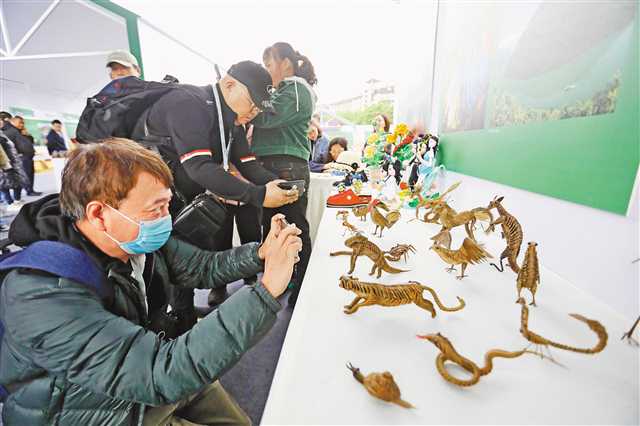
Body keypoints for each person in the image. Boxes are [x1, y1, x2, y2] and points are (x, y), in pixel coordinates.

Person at [0, 138, 302, 425]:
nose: (164, 219)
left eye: (166, 205)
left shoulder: (133, 240)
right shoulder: (42, 296)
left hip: (143, 368)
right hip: (89, 410)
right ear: (99, 214)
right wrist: (265, 292)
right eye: (155, 209)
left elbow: (200, 266)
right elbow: (161, 373)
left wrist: (260, 254)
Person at [126, 60, 297, 318]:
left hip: (182, 192)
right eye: (253, 102)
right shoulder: (187, 103)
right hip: (149, 195)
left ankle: (183, 310)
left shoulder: (231, 118)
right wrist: (259, 195)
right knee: (168, 257)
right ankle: (176, 317)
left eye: (260, 106)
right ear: (229, 84)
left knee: (190, 252)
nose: (256, 111)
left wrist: (277, 185)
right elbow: (199, 167)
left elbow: (248, 163)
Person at [251, 42, 317, 307]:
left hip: (285, 165)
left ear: (285, 64)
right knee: (277, 229)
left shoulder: (296, 87)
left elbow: (270, 115)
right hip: (275, 165)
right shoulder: (284, 90)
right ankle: (287, 280)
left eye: (269, 64)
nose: (266, 71)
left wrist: (249, 101)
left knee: (293, 228)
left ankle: (302, 286)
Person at [4, 116, 41, 196]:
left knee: (30, 174)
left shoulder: (19, 131)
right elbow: (8, 145)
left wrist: (27, 135)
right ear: (13, 121)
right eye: (20, 122)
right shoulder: (10, 131)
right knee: (26, 175)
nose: (22, 124)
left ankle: (30, 190)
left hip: (28, 157)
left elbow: (30, 141)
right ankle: (28, 191)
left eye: (23, 123)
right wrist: (17, 154)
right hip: (21, 158)